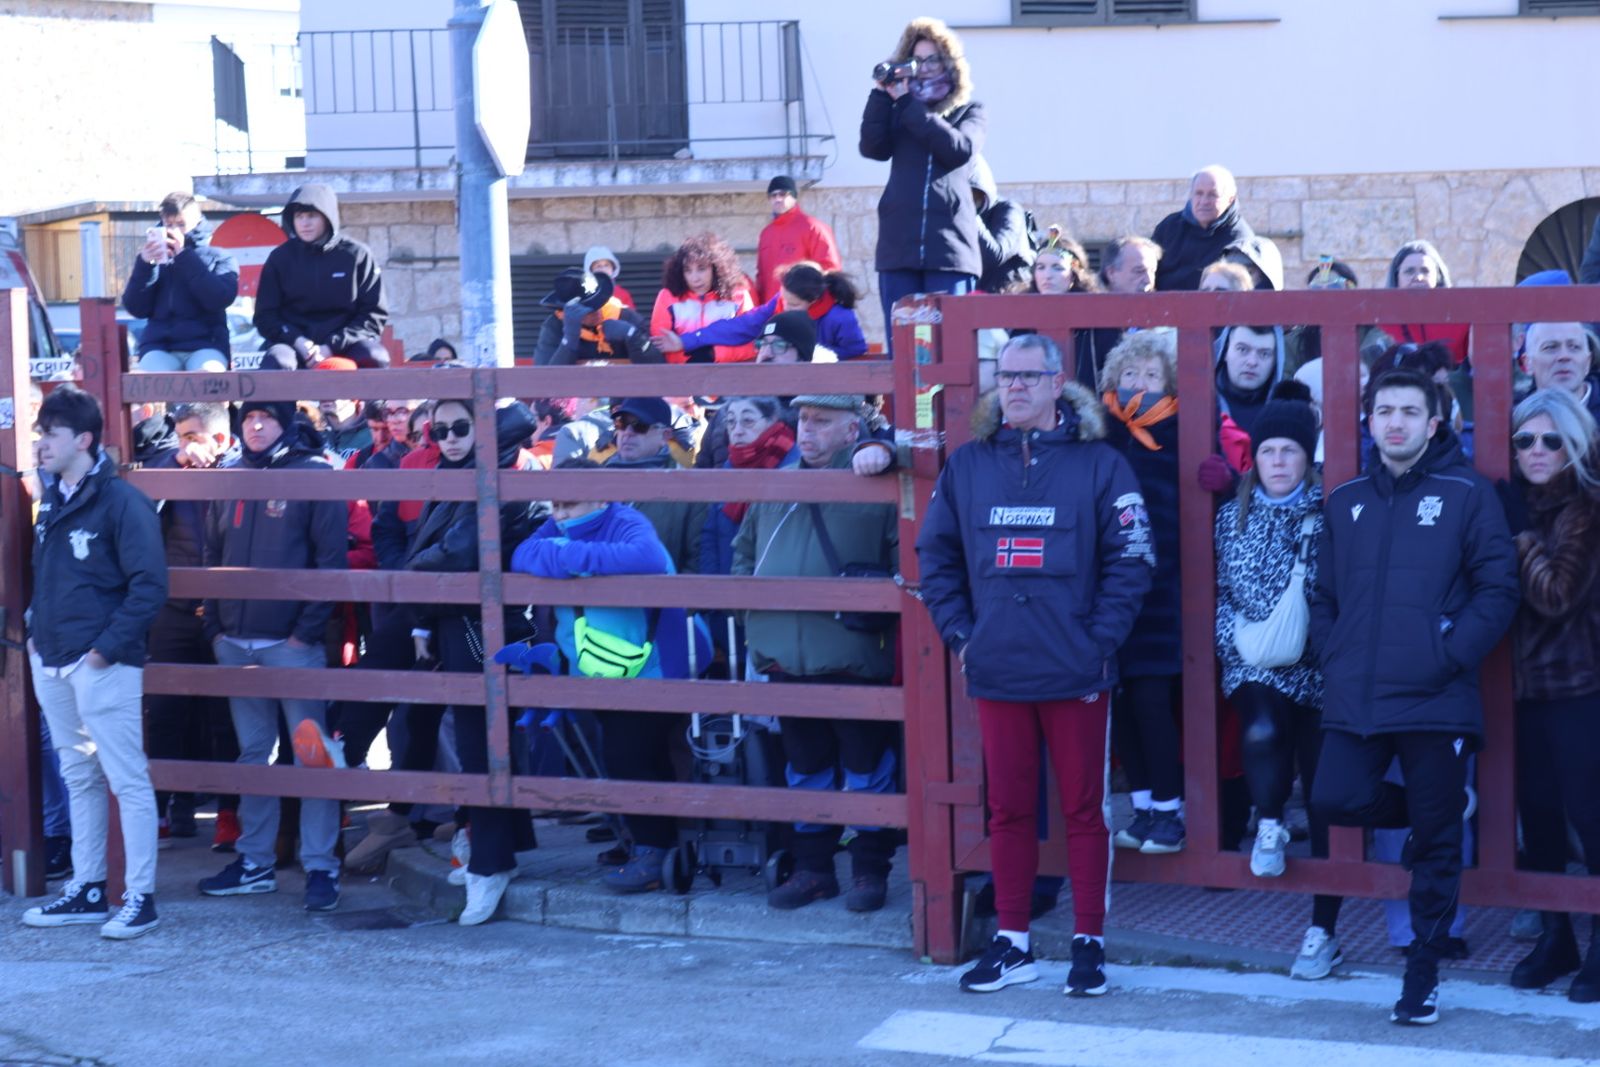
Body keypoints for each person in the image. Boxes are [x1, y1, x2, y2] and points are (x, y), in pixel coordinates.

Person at [917, 334, 1154, 998]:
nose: (1014, 387)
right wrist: (964, 635)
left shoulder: (1102, 465)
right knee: (1010, 810)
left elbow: (1132, 560)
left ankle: (1088, 943)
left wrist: (1097, 641)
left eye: (1028, 375)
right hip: (998, 667)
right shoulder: (967, 466)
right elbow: (934, 558)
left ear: (1058, 382)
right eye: (1004, 376)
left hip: (1077, 670)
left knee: (1084, 809)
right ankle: (1013, 942)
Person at [1309, 367, 1519, 1025]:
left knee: (1433, 842)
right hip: (1357, 694)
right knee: (1332, 797)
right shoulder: (1344, 499)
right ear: (1369, 421)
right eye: (1384, 411)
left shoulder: (1467, 494)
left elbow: (1498, 589)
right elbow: (1323, 595)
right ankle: (1437, 810)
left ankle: (1422, 971)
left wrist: (1448, 653)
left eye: (1409, 411)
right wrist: (1336, 653)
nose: (1395, 422)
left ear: (1434, 423)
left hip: (1436, 695)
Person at [732, 395, 901, 913]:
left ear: (853, 431)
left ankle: (870, 872)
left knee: (865, 767)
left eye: (822, 422)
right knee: (804, 768)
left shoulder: (881, 487)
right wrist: (754, 620)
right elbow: (743, 555)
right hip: (785, 656)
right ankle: (814, 871)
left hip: (853, 657)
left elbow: (903, 563)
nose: (808, 430)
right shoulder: (775, 486)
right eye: (804, 419)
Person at [509, 459, 709, 895]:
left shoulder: (626, 520)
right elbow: (522, 553)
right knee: (630, 756)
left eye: (569, 503)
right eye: (554, 504)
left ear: (600, 496)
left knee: (630, 758)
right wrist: (576, 557)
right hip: (602, 669)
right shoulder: (561, 526)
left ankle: (653, 853)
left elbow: (649, 557)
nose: (558, 514)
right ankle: (650, 845)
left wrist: (572, 560)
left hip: (651, 668)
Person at [19, 386, 167, 939]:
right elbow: (48, 574)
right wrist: (37, 632)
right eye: (39, 434)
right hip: (53, 659)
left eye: (50, 434)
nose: (40, 444)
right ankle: (87, 888)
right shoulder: (52, 496)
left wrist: (104, 650)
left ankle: (141, 897)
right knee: (78, 775)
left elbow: (150, 585)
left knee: (127, 779)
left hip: (103, 663)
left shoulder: (122, 501)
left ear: (82, 439)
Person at [1212, 383, 1348, 978]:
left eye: (1290, 452)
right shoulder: (1228, 517)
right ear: (1255, 457)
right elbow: (1219, 590)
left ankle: (1323, 930)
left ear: (1308, 457)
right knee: (1263, 731)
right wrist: (1230, 640)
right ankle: (1268, 822)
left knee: (1325, 795)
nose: (1278, 462)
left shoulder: (1329, 516)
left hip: (1316, 667)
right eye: (1269, 451)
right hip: (1252, 658)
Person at [197, 381, 349, 912]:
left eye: (265, 416)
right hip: (235, 643)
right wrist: (215, 624)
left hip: (291, 644)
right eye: (247, 417)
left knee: (313, 758)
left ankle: (321, 867)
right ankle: (255, 862)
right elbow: (208, 553)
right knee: (252, 756)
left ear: (286, 420)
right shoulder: (229, 475)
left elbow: (332, 562)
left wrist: (304, 633)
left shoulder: (316, 476)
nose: (255, 425)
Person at [404, 400, 543, 924]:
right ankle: (494, 848)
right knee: (478, 735)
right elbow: (435, 551)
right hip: (458, 618)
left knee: (482, 738)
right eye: (440, 430)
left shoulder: (499, 475)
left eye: (462, 427)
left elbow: (456, 555)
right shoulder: (461, 473)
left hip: (479, 624)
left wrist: (415, 578)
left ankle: (491, 861)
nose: (451, 437)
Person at [1502, 388, 1600, 1002]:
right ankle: (1555, 936)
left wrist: (1516, 534)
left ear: (1575, 442)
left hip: (1580, 685)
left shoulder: (1586, 507)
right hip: (1520, 690)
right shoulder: (1517, 502)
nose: (1536, 451)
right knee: (1535, 815)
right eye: (1524, 440)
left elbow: (1557, 595)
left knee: (1590, 818)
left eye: (1551, 439)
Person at [1098, 332, 1185, 854]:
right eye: (1131, 374)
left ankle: (1171, 810)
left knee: (1154, 698)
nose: (1140, 385)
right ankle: (1146, 806)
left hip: (1164, 584)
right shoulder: (1100, 429)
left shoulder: (1180, 427)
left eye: (1153, 376)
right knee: (1123, 699)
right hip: (1109, 583)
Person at [143, 402, 243, 852]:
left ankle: (228, 813)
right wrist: (172, 464)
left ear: (220, 440)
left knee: (226, 720)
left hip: (227, 609)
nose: (183, 444)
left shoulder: (243, 470)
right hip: (173, 609)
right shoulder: (166, 468)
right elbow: (140, 507)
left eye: (192, 436)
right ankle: (166, 806)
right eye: (180, 434)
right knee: (165, 713)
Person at [860, 16, 985, 339]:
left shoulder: (969, 112)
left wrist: (907, 104)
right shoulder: (899, 107)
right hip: (898, 249)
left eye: (933, 59)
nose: (925, 67)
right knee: (904, 352)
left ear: (950, 62)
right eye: (917, 60)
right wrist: (880, 95)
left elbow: (958, 149)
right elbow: (873, 148)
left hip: (949, 252)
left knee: (952, 348)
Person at [254, 183, 389, 369]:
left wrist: (333, 345)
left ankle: (374, 400)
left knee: (375, 357)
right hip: (294, 344)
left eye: (312, 216)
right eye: (299, 216)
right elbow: (266, 316)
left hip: (346, 344)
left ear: (327, 217)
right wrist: (297, 340)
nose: (304, 223)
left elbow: (373, 315)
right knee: (278, 361)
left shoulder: (357, 255)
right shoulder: (280, 258)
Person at [658, 261, 868, 363]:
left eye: (794, 305)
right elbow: (741, 326)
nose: (785, 308)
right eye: (784, 300)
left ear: (813, 301)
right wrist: (686, 341)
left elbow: (856, 348)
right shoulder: (779, 303)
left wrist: (812, 353)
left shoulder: (840, 316)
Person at [122, 192, 238, 373]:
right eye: (169, 224)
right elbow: (136, 308)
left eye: (181, 224)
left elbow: (219, 299)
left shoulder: (220, 257)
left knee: (207, 382)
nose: (174, 231)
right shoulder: (154, 262)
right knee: (146, 383)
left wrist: (183, 256)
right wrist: (145, 265)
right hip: (160, 347)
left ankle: (201, 403)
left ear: (197, 222)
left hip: (207, 345)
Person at [648, 233, 757, 363]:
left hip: (727, 374)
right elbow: (662, 344)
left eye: (701, 268)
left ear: (717, 268)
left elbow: (752, 345)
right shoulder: (667, 296)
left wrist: (711, 354)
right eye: (688, 270)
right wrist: (691, 360)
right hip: (681, 376)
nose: (695, 278)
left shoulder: (738, 295)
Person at [1366, 240, 1470, 367]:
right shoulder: (1378, 320)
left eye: (1425, 271)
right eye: (1409, 271)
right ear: (1396, 277)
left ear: (1438, 276)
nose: (1418, 277)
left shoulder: (1462, 319)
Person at [1152, 166, 1255, 291]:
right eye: (1199, 193)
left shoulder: (1240, 240)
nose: (1204, 201)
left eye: (1213, 195)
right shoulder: (1169, 228)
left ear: (1230, 199)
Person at [532, 268, 657, 365]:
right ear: (566, 311)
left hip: (626, 394)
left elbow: (658, 369)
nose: (597, 310)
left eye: (599, 302)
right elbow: (545, 381)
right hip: (575, 394)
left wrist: (633, 336)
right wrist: (569, 339)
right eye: (588, 308)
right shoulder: (554, 326)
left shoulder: (626, 317)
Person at [757, 175, 842, 304]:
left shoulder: (814, 228)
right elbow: (761, 277)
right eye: (773, 195)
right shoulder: (766, 234)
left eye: (783, 194)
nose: (777, 199)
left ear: (794, 197)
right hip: (771, 310)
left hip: (804, 309)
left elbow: (830, 269)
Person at [970, 155, 1033, 295]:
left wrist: (969, 212)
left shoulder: (1008, 210)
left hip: (1008, 299)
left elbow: (995, 254)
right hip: (973, 301)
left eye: (973, 194)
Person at [1521, 321, 1600, 425]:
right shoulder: (1514, 419)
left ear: (1588, 362)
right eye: (1550, 347)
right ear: (1528, 363)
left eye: (1574, 347)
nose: (1564, 356)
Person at [584, 245, 635, 309]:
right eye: (598, 266)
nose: (603, 269)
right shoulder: (584, 294)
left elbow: (631, 317)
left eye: (606, 265)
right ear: (591, 271)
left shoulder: (623, 293)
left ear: (612, 269)